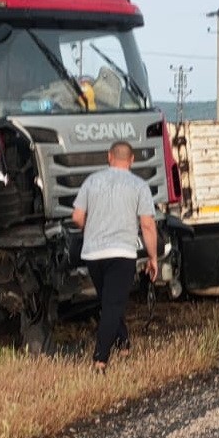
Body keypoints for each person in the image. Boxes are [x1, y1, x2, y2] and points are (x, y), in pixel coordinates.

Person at [71, 141, 158, 371]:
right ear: (132, 160)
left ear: (109, 157)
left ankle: (124, 343)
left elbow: (77, 217)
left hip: (93, 253)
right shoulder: (139, 186)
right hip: (122, 253)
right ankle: (100, 359)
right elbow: (147, 225)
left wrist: (89, 230)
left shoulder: (92, 181)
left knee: (108, 301)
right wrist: (153, 257)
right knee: (112, 304)